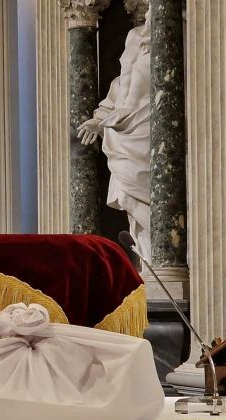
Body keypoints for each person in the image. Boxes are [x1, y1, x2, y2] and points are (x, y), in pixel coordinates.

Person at [77, 7, 152, 260]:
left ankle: (161, 265)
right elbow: (120, 86)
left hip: (145, 131)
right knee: (127, 200)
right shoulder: (133, 35)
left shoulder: (173, 41)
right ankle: (147, 263)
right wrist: (99, 120)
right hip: (120, 134)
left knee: (144, 202)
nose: (151, 9)